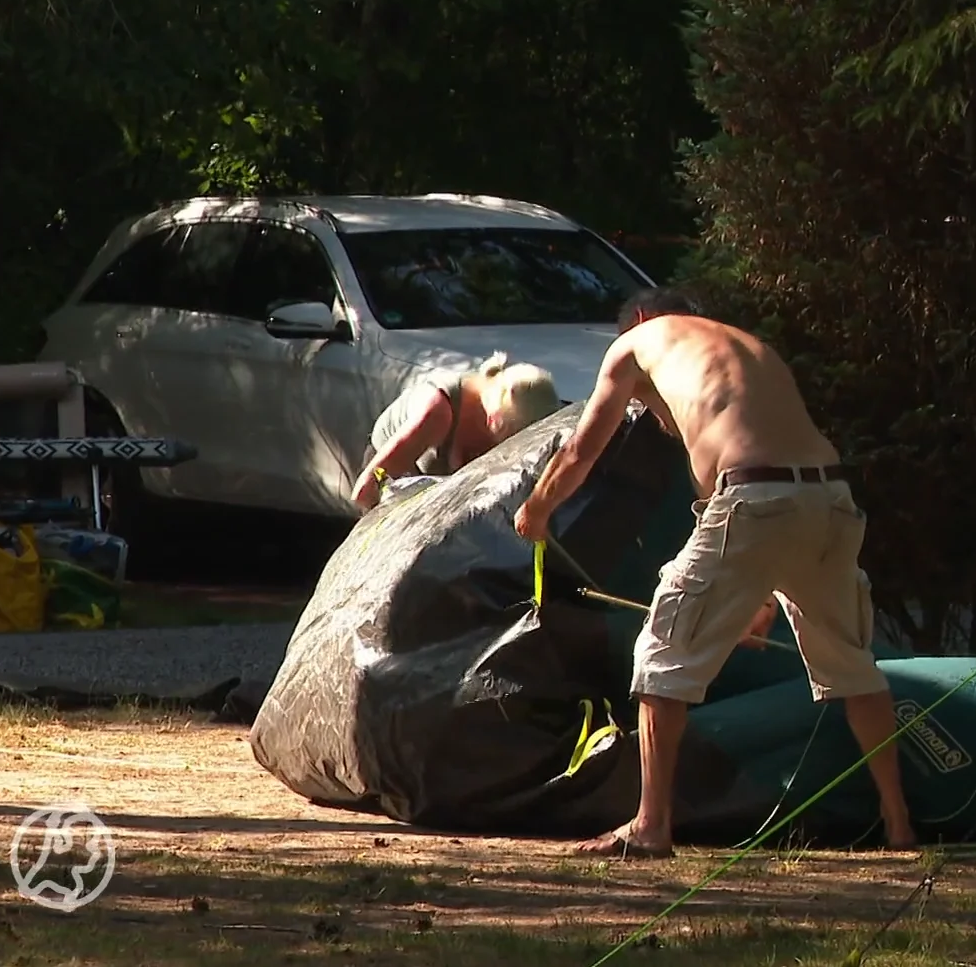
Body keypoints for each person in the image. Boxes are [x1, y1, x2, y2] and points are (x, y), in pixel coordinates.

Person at [513, 288, 917, 857]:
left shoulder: (638, 341)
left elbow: (581, 450)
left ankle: (650, 827)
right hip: (830, 501)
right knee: (855, 667)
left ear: (644, 320)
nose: (652, 412)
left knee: (660, 653)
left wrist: (538, 508)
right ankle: (899, 825)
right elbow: (777, 521)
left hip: (755, 495)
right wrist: (761, 603)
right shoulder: (743, 347)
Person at [353, 352, 561, 511]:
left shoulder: (508, 416)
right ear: (494, 420)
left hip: (444, 493)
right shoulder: (436, 412)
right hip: (398, 482)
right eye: (510, 438)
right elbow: (365, 491)